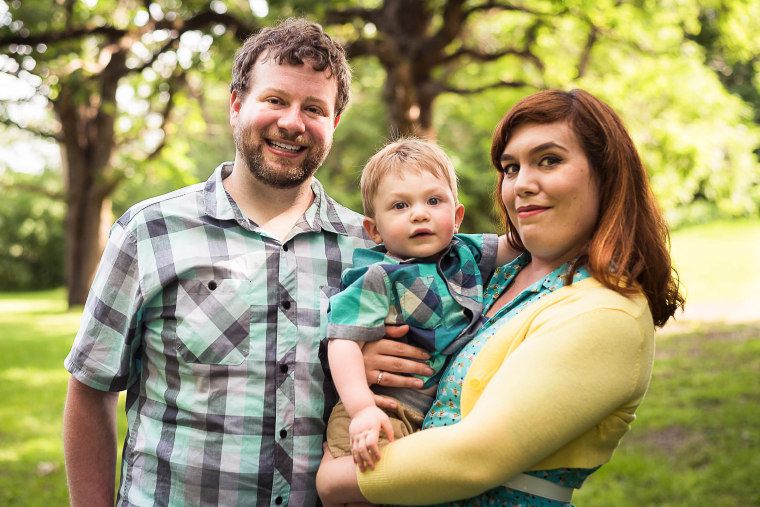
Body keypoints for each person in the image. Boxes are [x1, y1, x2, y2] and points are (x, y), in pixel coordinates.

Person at [61, 18, 428, 506]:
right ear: (237, 105)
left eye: (314, 108)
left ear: (333, 124)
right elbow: (90, 388)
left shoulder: (369, 249)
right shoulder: (150, 232)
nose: (293, 122)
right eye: (275, 100)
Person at [316, 88, 685, 506]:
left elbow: (475, 459)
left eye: (549, 160)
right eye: (511, 168)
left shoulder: (604, 310)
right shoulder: (502, 274)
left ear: (606, 172)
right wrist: (374, 358)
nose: (522, 184)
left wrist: (335, 481)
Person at [322, 139, 514, 475]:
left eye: (434, 200)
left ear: (456, 217)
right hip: (383, 412)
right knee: (365, 487)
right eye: (399, 206)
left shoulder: (465, 253)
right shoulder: (377, 276)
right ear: (374, 229)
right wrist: (363, 408)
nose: (420, 213)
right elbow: (342, 342)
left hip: (437, 416)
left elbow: (516, 244)